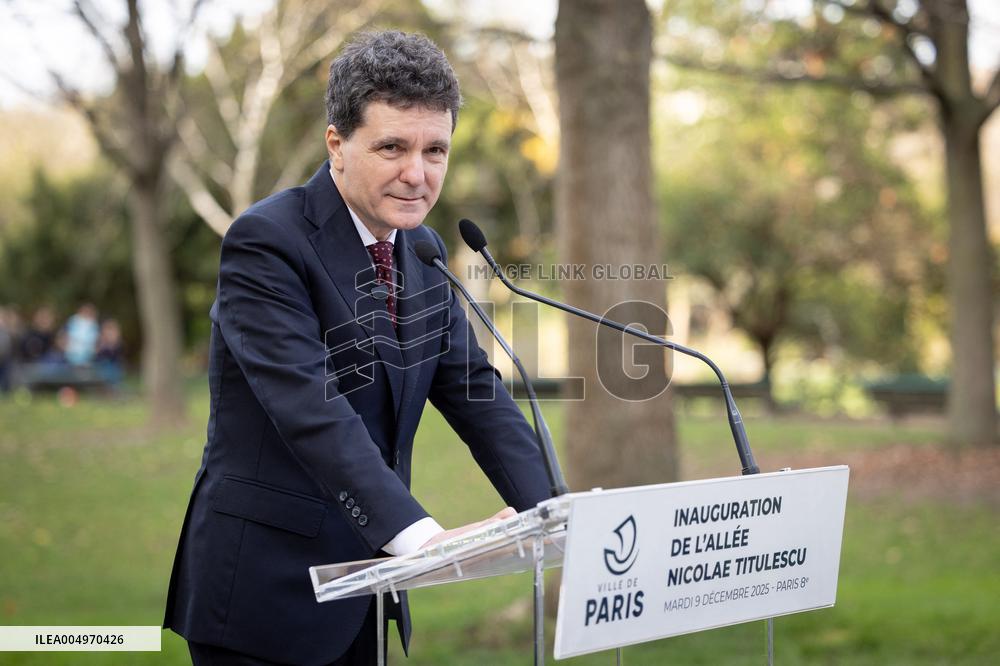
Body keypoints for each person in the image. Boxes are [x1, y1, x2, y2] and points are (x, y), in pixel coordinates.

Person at [164, 31, 552, 665]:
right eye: (392, 147)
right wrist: (424, 540)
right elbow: (309, 408)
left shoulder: (422, 253)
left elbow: (477, 394)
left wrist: (555, 511)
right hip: (266, 596)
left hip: (366, 596)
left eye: (435, 150)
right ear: (336, 145)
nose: (417, 174)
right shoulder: (266, 243)